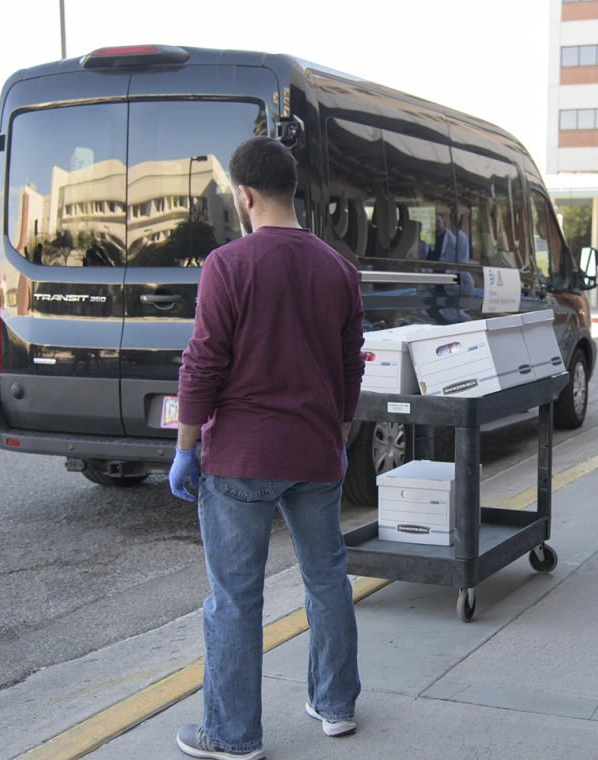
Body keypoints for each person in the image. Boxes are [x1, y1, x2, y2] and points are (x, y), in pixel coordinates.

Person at [168, 136, 365, 760]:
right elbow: (349, 367)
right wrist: (336, 432)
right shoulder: (339, 269)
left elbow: (202, 363)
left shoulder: (228, 265)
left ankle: (232, 735)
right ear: (291, 191)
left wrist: (185, 443)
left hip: (242, 460)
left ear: (245, 195)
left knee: (235, 595)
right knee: (328, 577)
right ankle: (334, 706)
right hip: (314, 453)